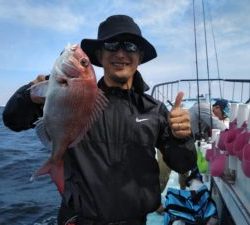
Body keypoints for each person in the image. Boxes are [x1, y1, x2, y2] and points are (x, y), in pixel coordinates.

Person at [3, 15, 197, 225]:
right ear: (100, 54)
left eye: (130, 46)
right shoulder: (73, 95)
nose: (121, 53)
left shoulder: (155, 110)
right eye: (112, 45)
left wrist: (182, 138)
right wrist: (28, 95)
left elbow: (183, 164)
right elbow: (12, 121)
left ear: (140, 57)